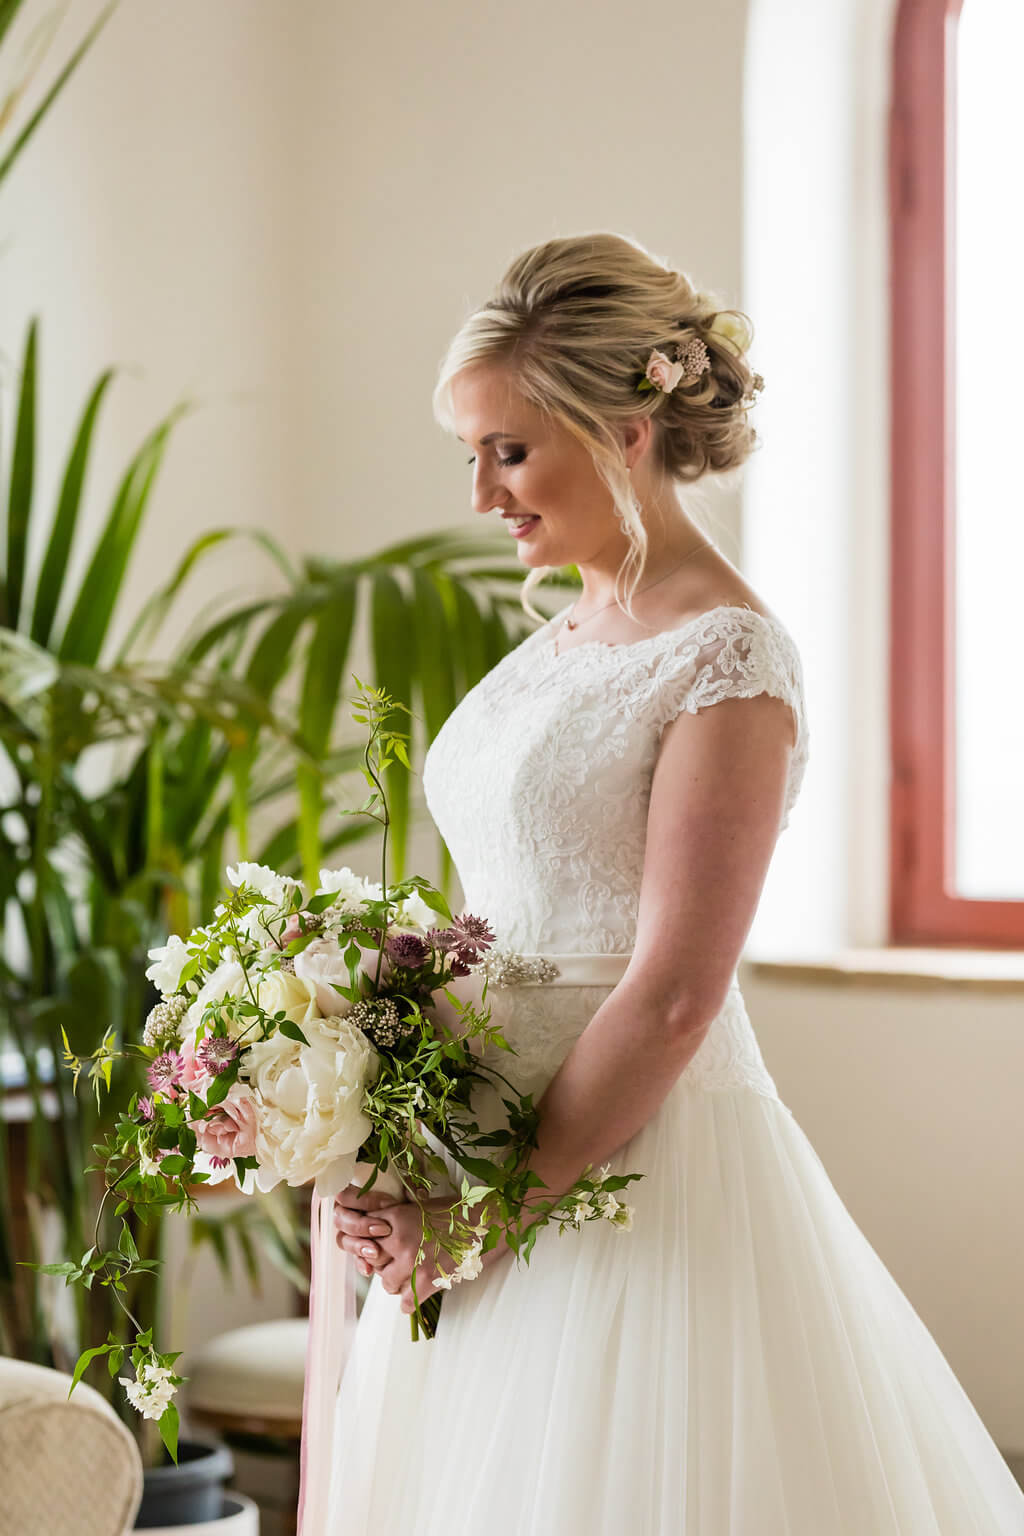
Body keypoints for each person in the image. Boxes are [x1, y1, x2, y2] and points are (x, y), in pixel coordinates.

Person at [318, 233, 1024, 1533]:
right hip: (483, 1161)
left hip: (630, 1177)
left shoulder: (730, 655)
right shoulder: (564, 631)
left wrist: (489, 1214)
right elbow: (496, 919)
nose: (483, 493)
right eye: (468, 453)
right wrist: (388, 1106)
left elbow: (677, 992)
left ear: (627, 428)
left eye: (511, 450)